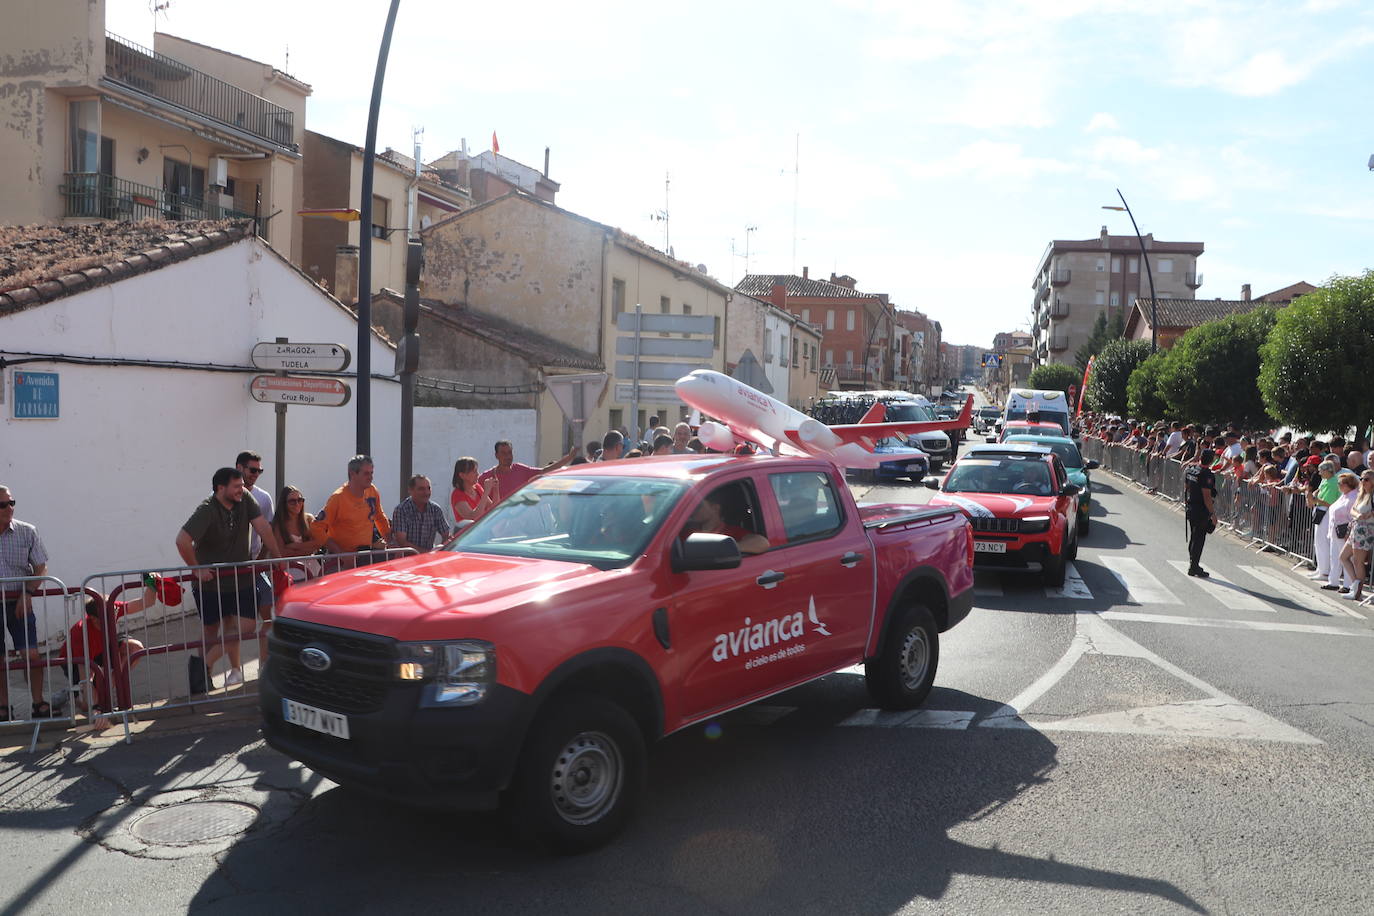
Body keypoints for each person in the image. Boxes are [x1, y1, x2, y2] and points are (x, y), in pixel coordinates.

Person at [176, 468, 283, 691]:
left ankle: (202, 665)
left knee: (247, 626)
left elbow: (263, 526)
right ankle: (202, 680)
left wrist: (278, 557)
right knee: (211, 630)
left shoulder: (246, 499)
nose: (241, 489)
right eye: (236, 486)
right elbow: (182, 540)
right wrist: (196, 570)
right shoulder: (207, 509)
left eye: (241, 485)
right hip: (210, 584)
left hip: (241, 578)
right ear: (220, 488)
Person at [56, 585, 156, 726]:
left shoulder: (112, 609)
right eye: (109, 616)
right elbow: (86, 675)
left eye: (114, 612)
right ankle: (72, 696)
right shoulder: (81, 633)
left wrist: (152, 581)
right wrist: (96, 710)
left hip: (103, 647)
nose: (114, 616)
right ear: (95, 619)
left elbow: (146, 602)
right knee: (87, 705)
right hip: (74, 660)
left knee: (135, 648)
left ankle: (106, 691)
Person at [0, 485, 53, 719]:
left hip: (19, 601)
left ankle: (38, 702)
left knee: (30, 654)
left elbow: (41, 567)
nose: (9, 508)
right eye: (3, 505)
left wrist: (28, 592)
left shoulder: (26, 531)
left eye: (12, 503)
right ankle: (3, 707)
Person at [236, 451, 276, 658]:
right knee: (227, 625)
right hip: (230, 568)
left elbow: (268, 532)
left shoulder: (263, 498)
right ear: (239, 468)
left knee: (267, 616)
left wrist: (260, 562)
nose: (256, 474)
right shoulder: (222, 495)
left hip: (255, 566)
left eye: (259, 471)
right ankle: (203, 668)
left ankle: (265, 663)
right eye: (252, 470)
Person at [312, 455, 392, 558]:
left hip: (365, 555)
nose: (371, 477)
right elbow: (316, 528)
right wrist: (340, 553)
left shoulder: (372, 491)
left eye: (372, 473)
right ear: (352, 474)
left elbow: (380, 517)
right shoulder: (338, 498)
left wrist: (390, 542)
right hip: (341, 560)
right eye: (366, 473)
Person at [681, 488, 770, 555]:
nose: (693, 510)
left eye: (698, 506)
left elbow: (762, 542)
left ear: (715, 508)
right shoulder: (685, 531)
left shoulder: (732, 532)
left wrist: (725, 549)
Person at [478, 440, 576, 498]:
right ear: (496, 455)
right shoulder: (486, 478)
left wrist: (568, 458)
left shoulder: (520, 469)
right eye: (503, 453)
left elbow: (544, 470)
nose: (507, 456)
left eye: (509, 453)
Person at [390, 475, 452, 551]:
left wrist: (440, 551)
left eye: (428, 488)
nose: (426, 492)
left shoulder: (435, 509)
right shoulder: (401, 510)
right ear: (410, 490)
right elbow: (402, 543)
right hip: (407, 559)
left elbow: (447, 535)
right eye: (421, 489)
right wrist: (426, 553)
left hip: (429, 559)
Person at [1183, 447, 1218, 577]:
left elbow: (1186, 487)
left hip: (1192, 506)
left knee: (1194, 536)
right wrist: (1212, 514)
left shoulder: (1191, 470)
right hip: (1201, 510)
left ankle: (1193, 563)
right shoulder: (1206, 474)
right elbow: (1207, 496)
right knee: (1198, 539)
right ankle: (1194, 566)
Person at [1341, 470, 1374, 602]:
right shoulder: (1362, 494)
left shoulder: (1372, 496)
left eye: (1367, 479)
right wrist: (1358, 515)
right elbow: (1353, 510)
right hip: (1356, 529)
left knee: (1358, 561)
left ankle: (1357, 592)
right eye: (1362, 479)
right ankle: (1355, 586)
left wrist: (1367, 515)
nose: (1363, 481)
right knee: (1343, 557)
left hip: (1366, 531)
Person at [1324, 472, 1360, 593]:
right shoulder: (1344, 495)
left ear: (1347, 484)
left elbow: (1352, 516)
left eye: (1340, 483)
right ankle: (1333, 581)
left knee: (1346, 558)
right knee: (1334, 557)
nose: (1338, 485)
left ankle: (1348, 585)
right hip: (1336, 531)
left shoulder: (1353, 497)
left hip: (1345, 532)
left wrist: (1348, 532)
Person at [1307, 461, 1340, 581]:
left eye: (1321, 470)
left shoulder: (1333, 482)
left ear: (1328, 470)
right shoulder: (1326, 479)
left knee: (1323, 542)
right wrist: (1314, 494)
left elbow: (1328, 502)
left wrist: (1314, 499)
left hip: (1326, 513)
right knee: (1318, 541)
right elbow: (1319, 491)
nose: (1319, 473)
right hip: (1321, 511)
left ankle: (1325, 572)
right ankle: (1321, 569)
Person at [451, 457, 498, 522]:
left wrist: (495, 489)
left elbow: (493, 508)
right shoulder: (457, 495)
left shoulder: (477, 487)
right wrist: (486, 491)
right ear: (462, 475)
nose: (477, 474)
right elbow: (473, 517)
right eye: (474, 471)